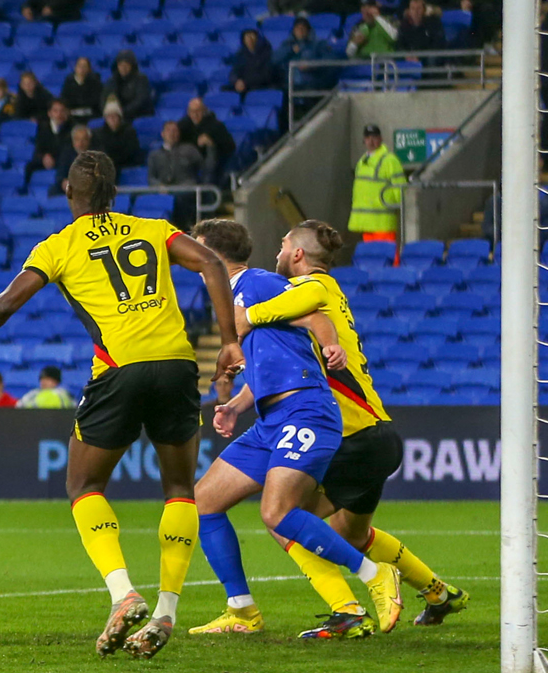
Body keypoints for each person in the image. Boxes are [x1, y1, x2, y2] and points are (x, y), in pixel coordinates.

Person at [0, 150, 241, 658]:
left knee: (83, 484)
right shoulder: (152, 226)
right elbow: (210, 261)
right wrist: (227, 340)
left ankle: (123, 595)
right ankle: (166, 612)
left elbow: (6, 302)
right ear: (115, 192)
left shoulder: (59, 245)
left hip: (119, 369)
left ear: (68, 192)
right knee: (180, 488)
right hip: (176, 364)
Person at [193, 219, 466, 637]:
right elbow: (284, 361)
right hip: (367, 431)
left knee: (281, 516)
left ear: (298, 254)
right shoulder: (302, 293)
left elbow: (313, 315)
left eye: (284, 244)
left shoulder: (298, 287)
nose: (279, 250)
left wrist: (245, 318)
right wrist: (238, 401)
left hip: (342, 431)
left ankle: (349, 605)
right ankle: (437, 593)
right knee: (348, 533)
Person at [347, 124, 404, 244]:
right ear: (364, 140)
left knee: (386, 256)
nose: (371, 141)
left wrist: (403, 206)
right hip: (366, 223)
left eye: (374, 137)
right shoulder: (362, 161)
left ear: (380, 139)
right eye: (368, 138)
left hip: (383, 222)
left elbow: (400, 188)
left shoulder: (390, 160)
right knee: (372, 258)